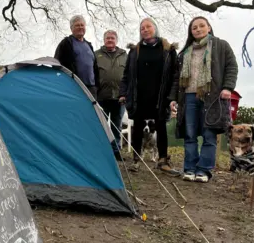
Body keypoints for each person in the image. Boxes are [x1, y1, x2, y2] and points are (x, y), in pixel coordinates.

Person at [169, 16, 238, 183]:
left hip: (212, 97)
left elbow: (232, 66)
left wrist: (227, 87)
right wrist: (173, 98)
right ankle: (190, 168)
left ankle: (204, 170)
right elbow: (177, 78)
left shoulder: (221, 46)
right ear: (191, 32)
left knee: (209, 134)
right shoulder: (184, 52)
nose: (198, 29)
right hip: (188, 97)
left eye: (201, 26)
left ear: (209, 27)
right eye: (194, 27)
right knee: (190, 134)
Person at [119, 17, 180, 175]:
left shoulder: (168, 50)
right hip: (139, 96)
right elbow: (126, 75)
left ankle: (163, 161)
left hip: (160, 97)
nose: (145, 30)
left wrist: (172, 96)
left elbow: (175, 75)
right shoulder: (134, 51)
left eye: (148, 27)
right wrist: (123, 93)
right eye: (142, 28)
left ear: (155, 28)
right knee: (138, 127)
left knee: (161, 127)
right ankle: (136, 160)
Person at [95, 30, 128, 161]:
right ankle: (101, 152)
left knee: (117, 126)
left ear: (116, 40)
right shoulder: (96, 55)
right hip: (101, 97)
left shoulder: (124, 55)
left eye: (112, 38)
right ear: (104, 40)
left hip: (119, 98)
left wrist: (126, 94)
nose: (110, 40)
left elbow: (129, 75)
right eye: (107, 38)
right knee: (101, 126)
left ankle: (116, 151)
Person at [54, 15, 99, 99]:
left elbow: (95, 67)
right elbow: (57, 65)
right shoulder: (66, 43)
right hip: (75, 87)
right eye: (77, 25)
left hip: (91, 89)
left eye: (82, 25)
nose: (80, 27)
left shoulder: (89, 45)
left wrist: (96, 86)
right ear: (71, 28)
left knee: (90, 112)